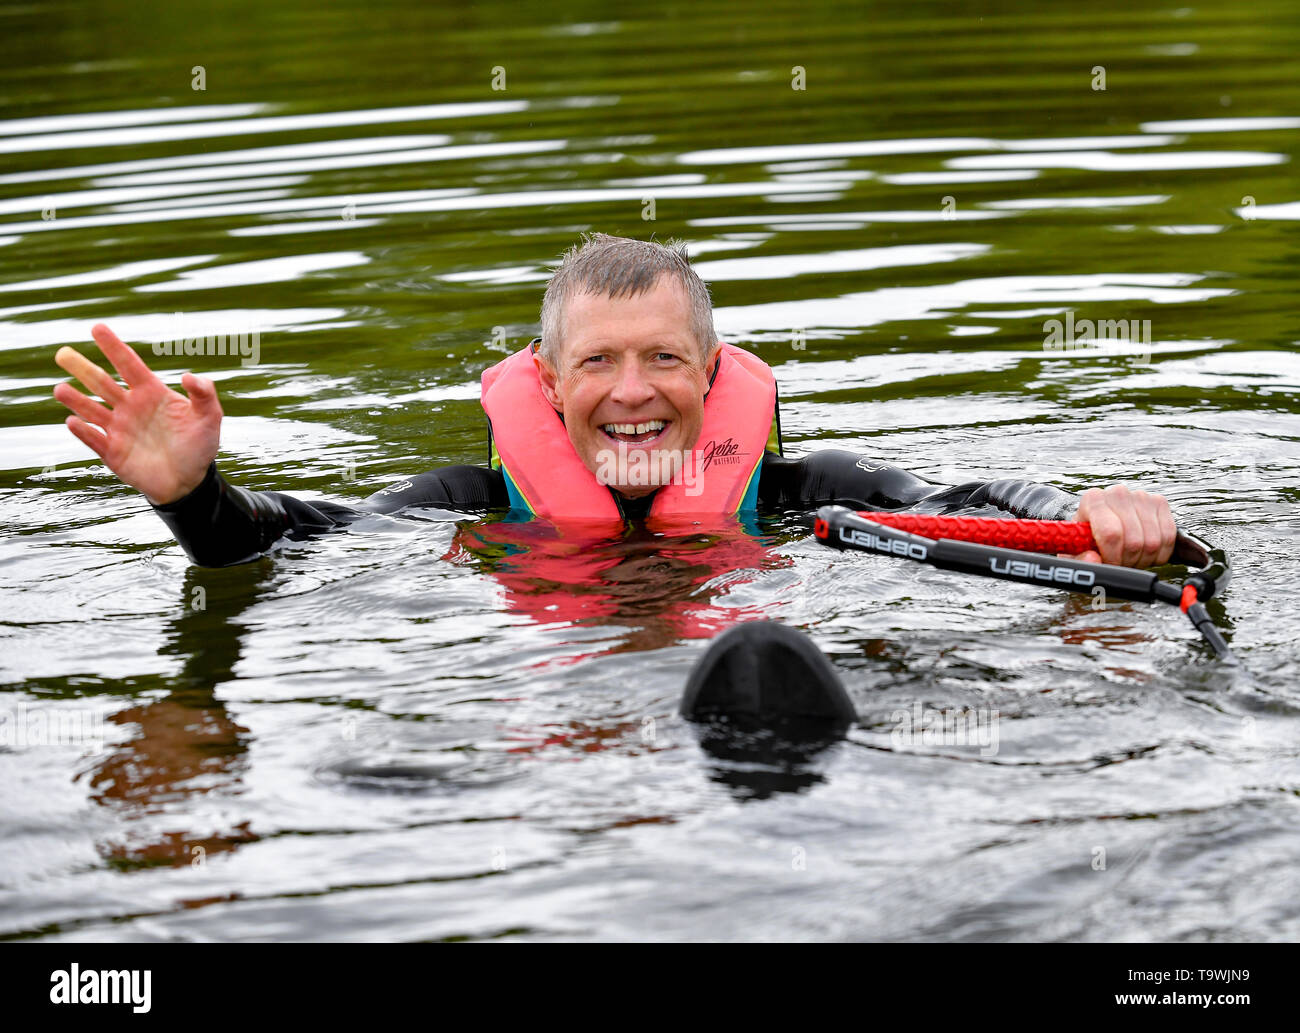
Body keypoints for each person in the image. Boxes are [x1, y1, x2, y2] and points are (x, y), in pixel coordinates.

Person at [51, 234, 1178, 570]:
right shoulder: (469, 507)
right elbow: (284, 541)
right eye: (596, 363)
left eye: (663, 361)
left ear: (713, 369)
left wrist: (1092, 515)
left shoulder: (805, 495)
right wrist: (194, 496)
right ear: (543, 383)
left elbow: (968, 500)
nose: (633, 393)